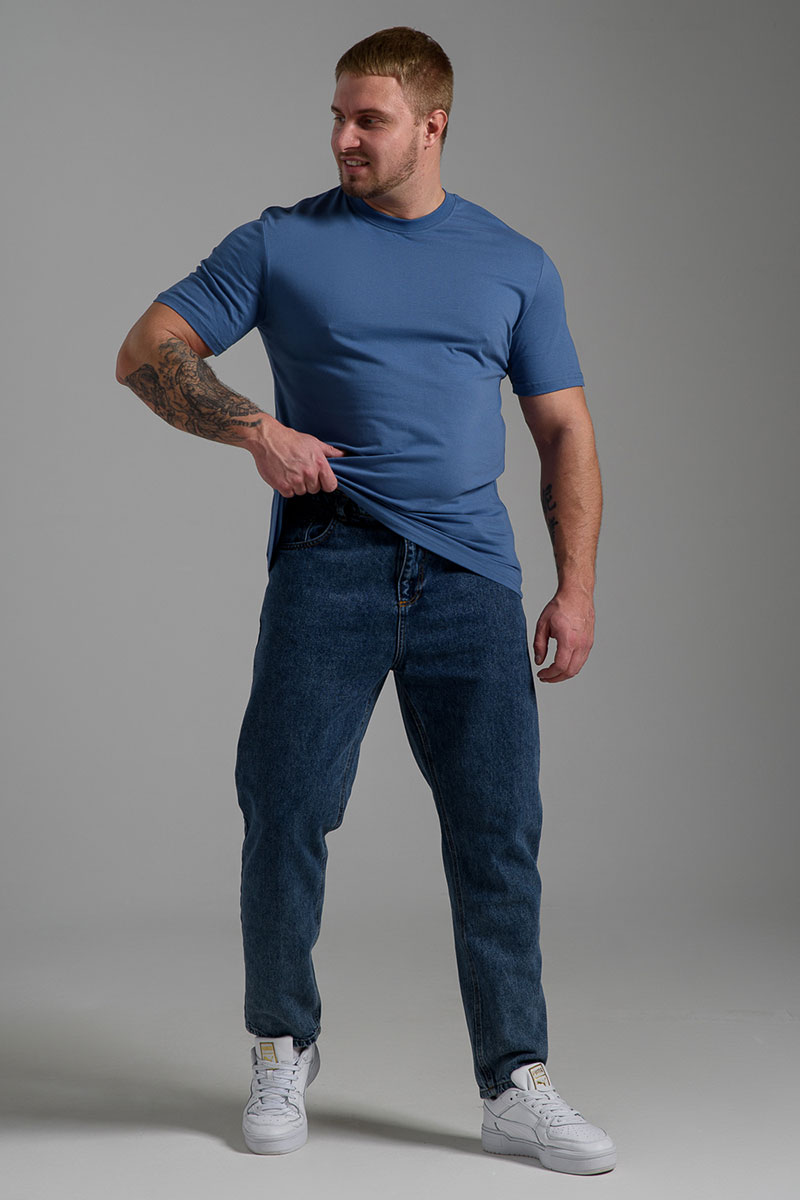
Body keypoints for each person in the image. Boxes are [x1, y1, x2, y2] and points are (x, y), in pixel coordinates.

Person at [115, 25, 615, 1177]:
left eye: (368, 120)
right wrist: (254, 427)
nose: (343, 137)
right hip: (329, 560)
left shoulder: (513, 262)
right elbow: (145, 350)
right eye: (336, 116)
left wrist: (575, 587)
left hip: (470, 576)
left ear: (431, 126)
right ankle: (279, 1046)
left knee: (497, 832)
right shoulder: (281, 242)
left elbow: (563, 431)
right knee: (283, 808)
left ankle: (514, 1084)